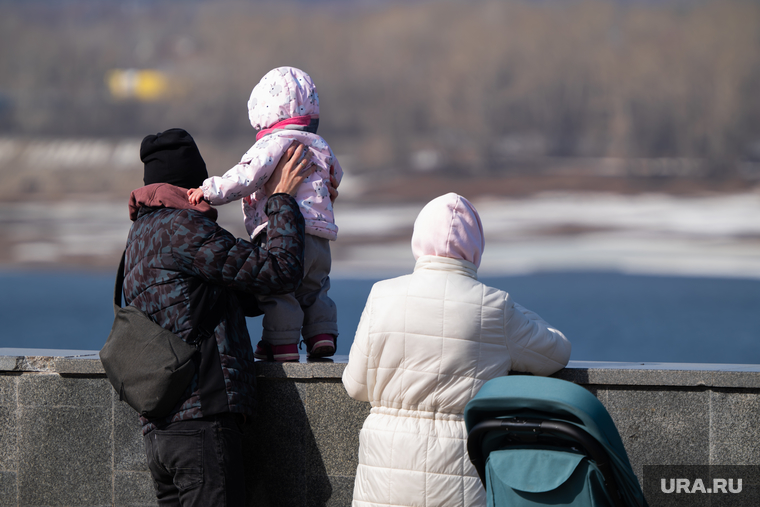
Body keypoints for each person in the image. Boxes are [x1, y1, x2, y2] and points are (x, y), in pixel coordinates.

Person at [342, 192, 572, 507]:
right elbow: (556, 353)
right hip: (459, 478)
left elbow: (355, 386)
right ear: (476, 248)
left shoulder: (381, 294)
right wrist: (515, 311)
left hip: (383, 478)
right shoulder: (495, 307)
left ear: (418, 239)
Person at [124, 127, 313, 506]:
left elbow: (243, 292)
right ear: (191, 184)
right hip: (200, 426)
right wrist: (280, 202)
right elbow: (278, 271)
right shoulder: (186, 230)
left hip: (160, 433)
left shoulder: (141, 236)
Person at [188, 66, 342, 362]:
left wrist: (209, 191)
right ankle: (321, 334)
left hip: (282, 234)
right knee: (316, 288)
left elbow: (245, 178)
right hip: (320, 237)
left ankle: (281, 343)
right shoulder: (321, 145)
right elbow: (337, 176)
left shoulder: (272, 145)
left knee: (279, 291)